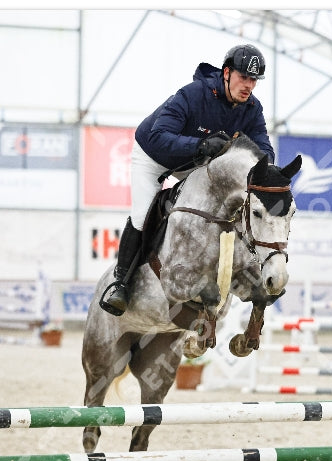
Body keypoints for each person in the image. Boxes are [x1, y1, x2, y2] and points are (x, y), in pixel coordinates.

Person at [99, 44, 275, 316]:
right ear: (227, 73)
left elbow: (264, 151)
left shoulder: (252, 108)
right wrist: (200, 145)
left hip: (194, 163)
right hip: (153, 156)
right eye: (244, 77)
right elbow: (159, 135)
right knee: (142, 214)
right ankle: (120, 283)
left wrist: (268, 169)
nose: (249, 85)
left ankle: (240, 274)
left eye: (254, 80)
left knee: (222, 207)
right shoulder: (193, 94)